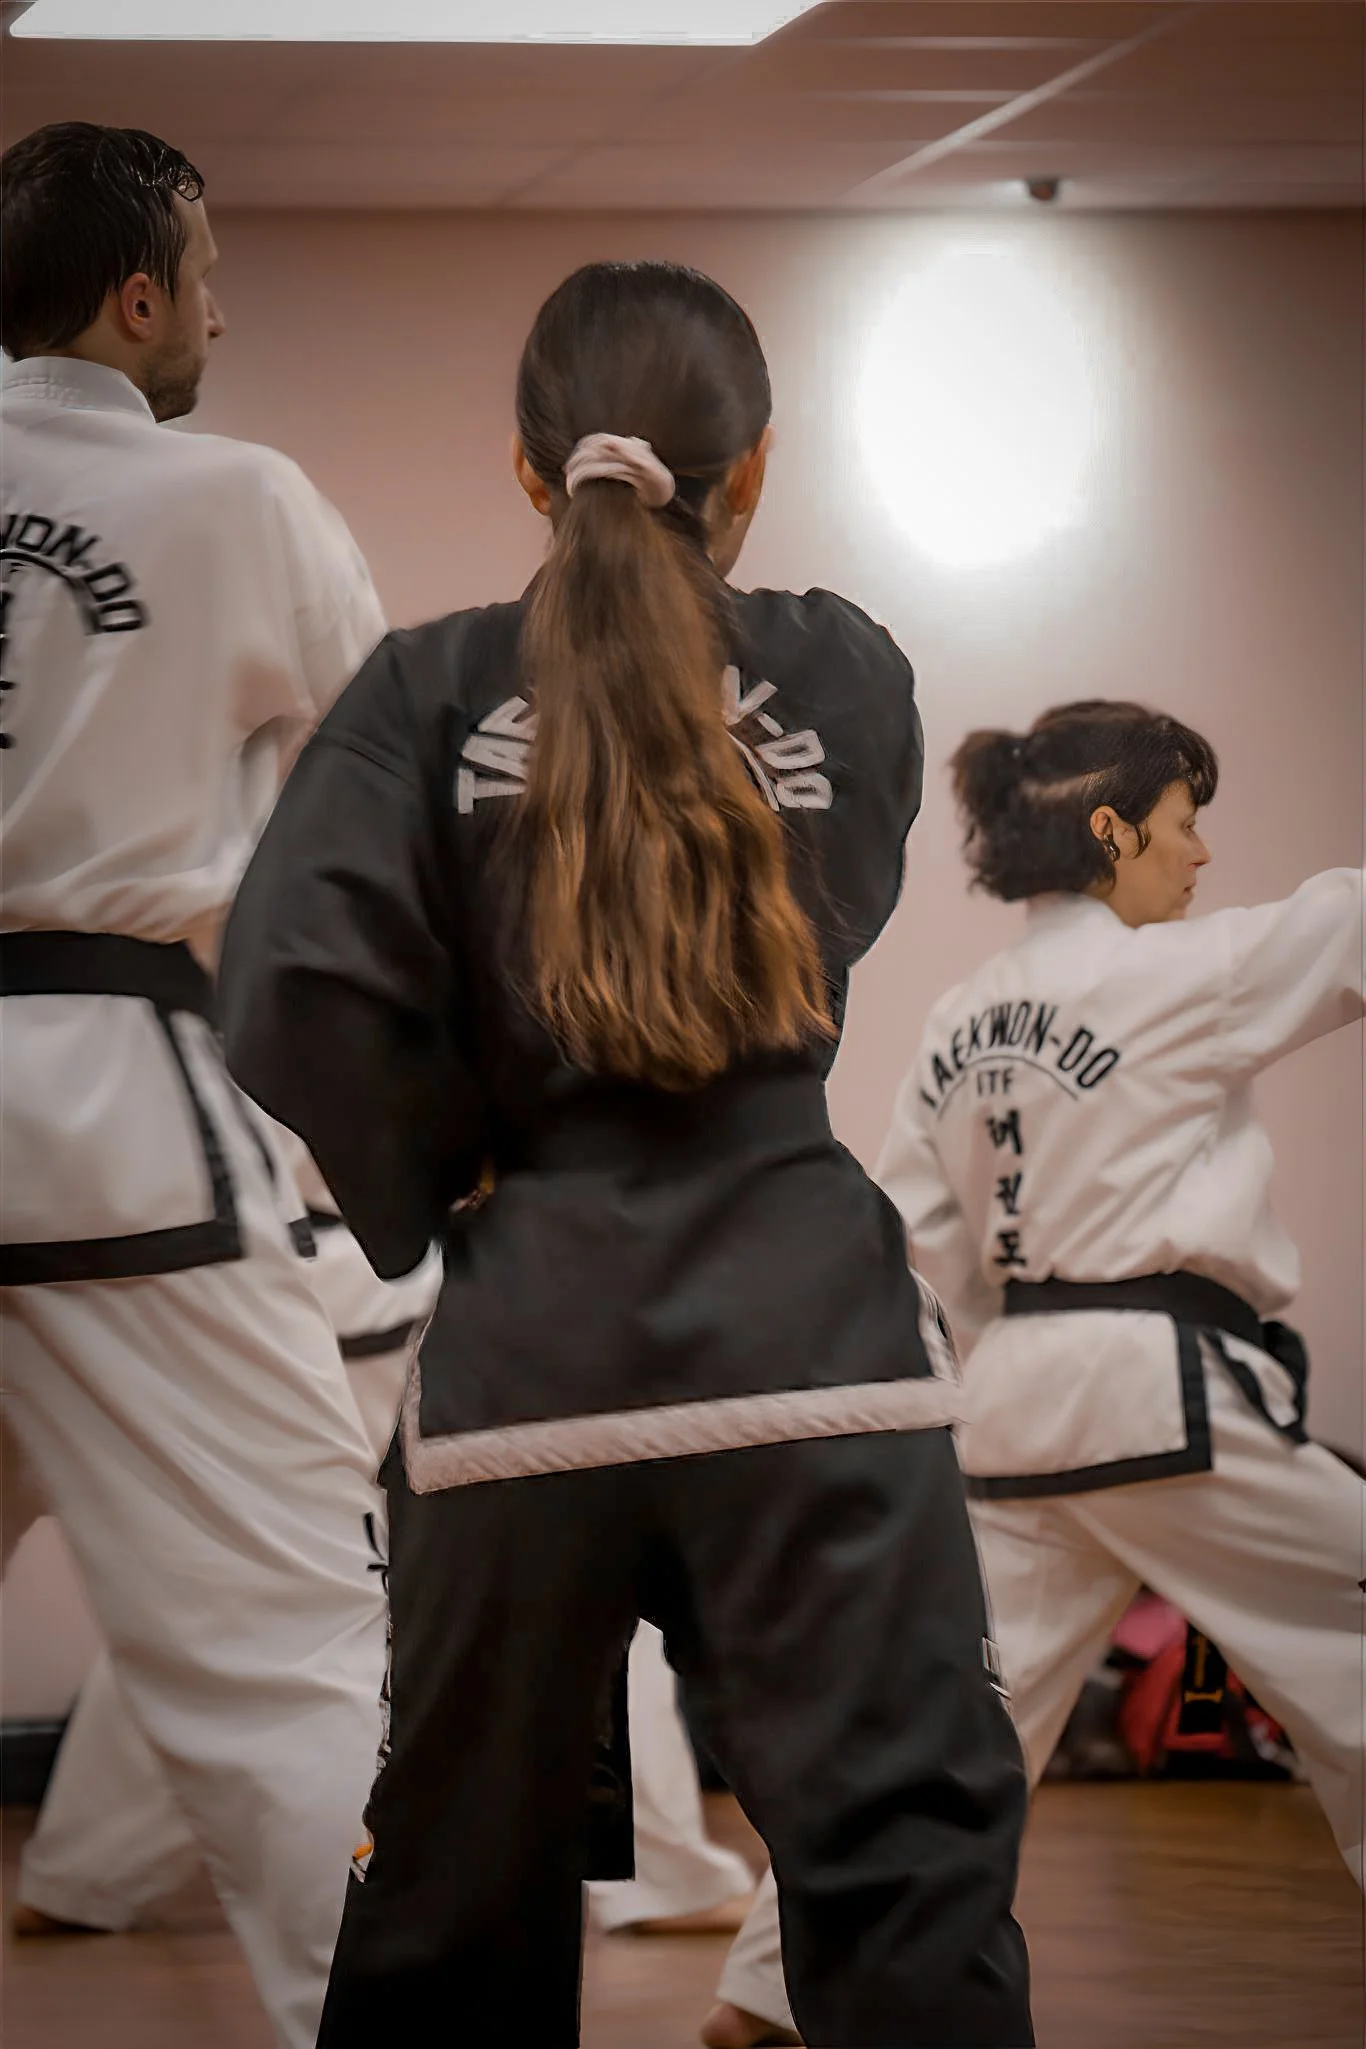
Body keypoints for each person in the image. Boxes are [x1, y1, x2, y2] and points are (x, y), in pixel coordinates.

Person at [217, 259, 1035, 2049]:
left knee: (449, 1910)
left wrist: (457, 1172)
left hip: (531, 1368)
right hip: (815, 1346)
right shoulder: (843, 670)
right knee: (906, 1885)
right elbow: (833, 902)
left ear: (529, 474)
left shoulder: (425, 686)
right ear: (751, 475)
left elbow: (286, 983)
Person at [0, 123, 391, 2048]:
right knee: (295, 1637)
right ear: (134, 294)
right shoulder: (235, 496)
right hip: (106, 1116)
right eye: (209, 275)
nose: (223, 311)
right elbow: (385, 813)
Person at [875, 701, 1365, 1884]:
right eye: (1184, 823)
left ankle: (775, 1982)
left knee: (959, 1725)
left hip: (1007, 1410)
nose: (1201, 854)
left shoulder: (957, 1018)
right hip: (1155, 1387)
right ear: (1112, 828)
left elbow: (915, 1240)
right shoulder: (1181, 973)